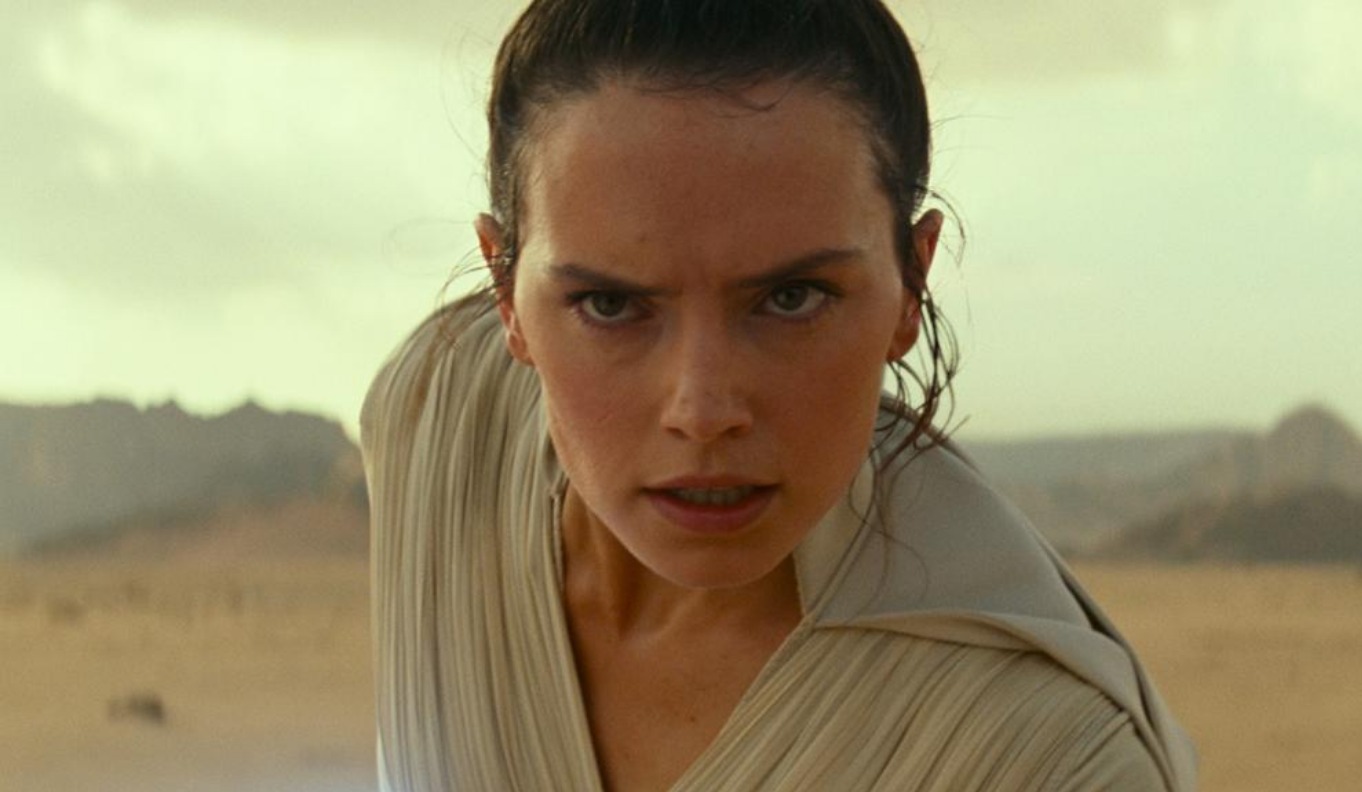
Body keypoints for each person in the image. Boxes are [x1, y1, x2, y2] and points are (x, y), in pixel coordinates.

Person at [359, 0, 1198, 790]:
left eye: (792, 298)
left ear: (912, 283)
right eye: (610, 305)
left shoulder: (1039, 760)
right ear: (506, 294)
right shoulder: (437, 422)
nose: (703, 412)